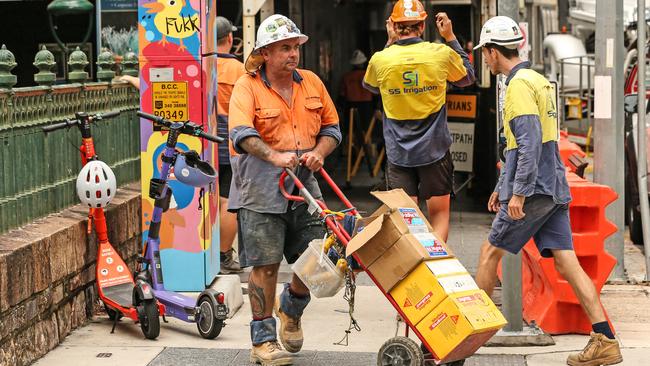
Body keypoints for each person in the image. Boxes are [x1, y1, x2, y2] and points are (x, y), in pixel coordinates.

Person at [473, 16, 622, 366]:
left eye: (486, 52)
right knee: (567, 261)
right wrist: (501, 185)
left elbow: (528, 144)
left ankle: (466, 337)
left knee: (488, 254)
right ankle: (605, 339)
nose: (485, 59)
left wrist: (518, 193)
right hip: (551, 185)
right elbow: (522, 144)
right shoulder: (538, 80)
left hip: (535, 189)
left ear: (494, 52)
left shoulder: (518, 85)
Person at [228, 14, 341, 365]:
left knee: (321, 257)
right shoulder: (247, 86)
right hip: (260, 188)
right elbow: (241, 134)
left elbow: (332, 128)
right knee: (266, 266)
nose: (293, 54)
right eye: (284, 48)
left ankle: (291, 310)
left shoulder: (311, 82)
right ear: (264, 53)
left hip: (304, 183)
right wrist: (273, 155)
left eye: (295, 47)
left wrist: (319, 153)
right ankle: (262, 340)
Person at [362, 0, 475, 242]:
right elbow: (468, 78)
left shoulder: (380, 59)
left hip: (399, 154)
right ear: (422, 26)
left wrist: (389, 43)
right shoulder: (441, 54)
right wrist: (450, 36)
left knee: (407, 219)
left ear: (393, 25)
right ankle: (435, 269)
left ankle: (414, 271)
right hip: (435, 151)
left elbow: (370, 86)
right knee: (440, 214)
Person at [216, 16, 245, 274]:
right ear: (230, 40)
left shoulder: (200, 66)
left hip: (202, 143)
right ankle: (224, 255)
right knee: (228, 201)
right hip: (230, 144)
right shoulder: (239, 70)